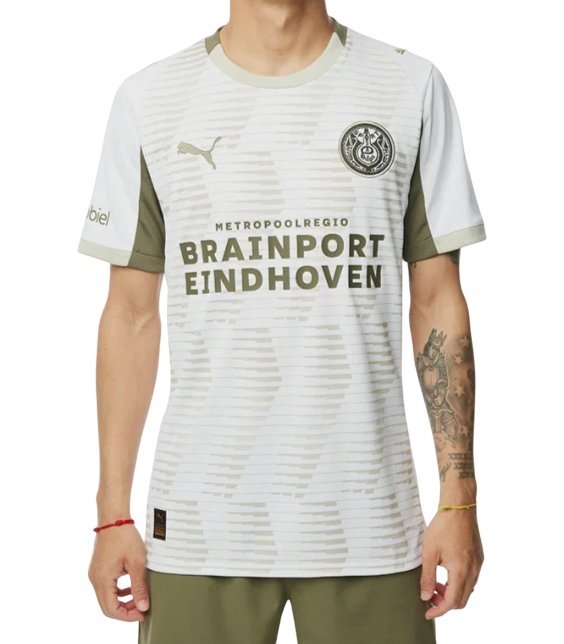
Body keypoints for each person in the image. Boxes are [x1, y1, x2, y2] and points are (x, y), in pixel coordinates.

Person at [79, 1, 485, 642]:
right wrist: (111, 515)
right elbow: (130, 316)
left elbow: (438, 301)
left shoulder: (409, 87)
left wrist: (459, 499)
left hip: (373, 526)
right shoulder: (150, 100)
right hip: (199, 527)